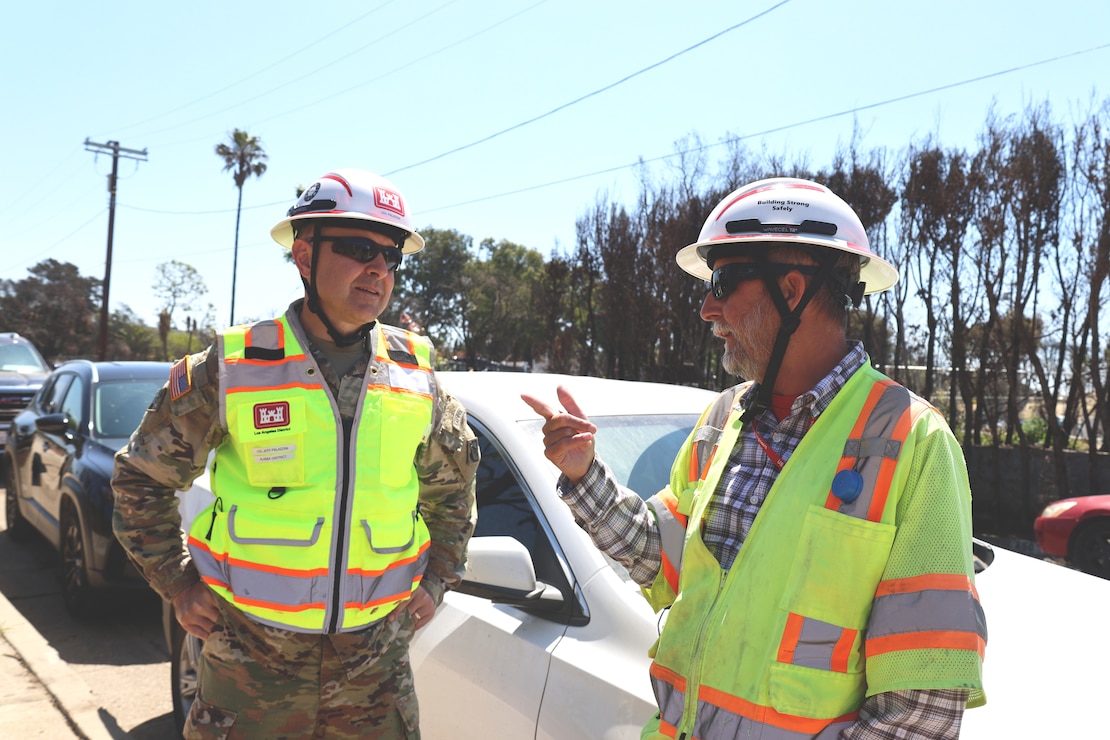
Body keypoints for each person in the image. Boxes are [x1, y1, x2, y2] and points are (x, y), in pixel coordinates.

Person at [522, 177, 986, 740]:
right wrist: (582, 474)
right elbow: (661, 563)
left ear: (791, 291)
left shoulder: (914, 442)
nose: (706, 308)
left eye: (722, 281)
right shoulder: (723, 419)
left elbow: (921, 710)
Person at [112, 169, 478, 739]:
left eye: (391, 255)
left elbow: (453, 490)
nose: (378, 268)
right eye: (359, 249)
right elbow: (141, 479)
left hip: (374, 670)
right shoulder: (234, 366)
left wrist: (438, 580)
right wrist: (176, 583)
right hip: (251, 662)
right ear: (304, 256)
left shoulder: (415, 374)